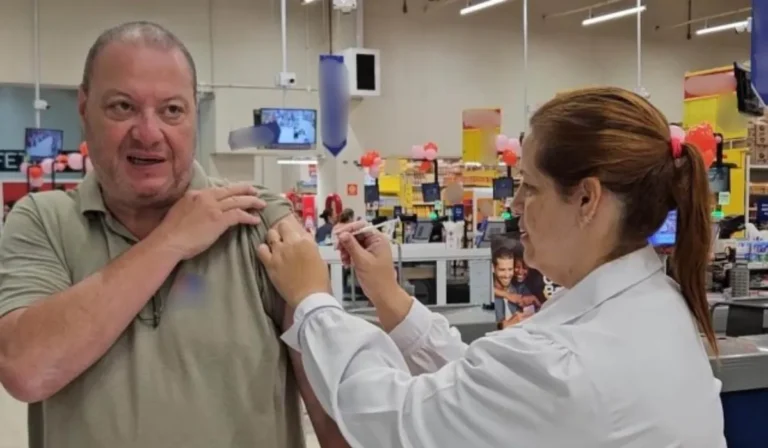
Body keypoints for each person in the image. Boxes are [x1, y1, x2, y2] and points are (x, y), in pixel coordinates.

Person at [255, 87, 726, 447]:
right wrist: (389, 295)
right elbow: (484, 393)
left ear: (587, 198)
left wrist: (312, 299)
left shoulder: (567, 365)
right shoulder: (655, 306)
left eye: (530, 187)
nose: (515, 205)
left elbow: (393, 418)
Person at [0, 22, 347, 448]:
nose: (148, 132)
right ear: (84, 108)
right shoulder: (42, 221)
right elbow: (27, 370)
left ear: (193, 115)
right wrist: (170, 242)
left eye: (172, 110)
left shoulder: (259, 222)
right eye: (122, 107)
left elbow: (332, 411)